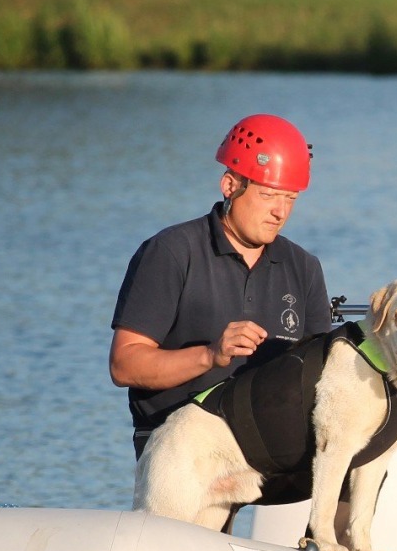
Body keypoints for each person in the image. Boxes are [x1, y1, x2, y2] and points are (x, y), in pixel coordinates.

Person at [110, 114, 329, 504]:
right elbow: (124, 365)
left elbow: (319, 382)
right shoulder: (171, 252)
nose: (280, 212)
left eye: (290, 199)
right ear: (230, 185)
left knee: (358, 465)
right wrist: (211, 355)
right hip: (177, 445)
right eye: (269, 195)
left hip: (264, 452)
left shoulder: (304, 267)